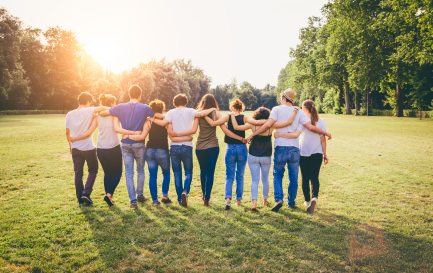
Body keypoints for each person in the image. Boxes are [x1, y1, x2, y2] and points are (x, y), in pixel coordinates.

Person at [247, 88, 331, 212]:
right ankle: (291, 202)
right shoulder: (299, 112)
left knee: (278, 175)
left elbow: (267, 125)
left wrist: (253, 135)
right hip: (294, 149)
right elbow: (311, 127)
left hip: (280, 147)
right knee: (293, 177)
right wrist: (326, 133)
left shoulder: (276, 109)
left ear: (283, 98)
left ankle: (279, 199)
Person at [150, 93, 216, 207]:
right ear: (186, 102)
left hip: (174, 147)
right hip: (187, 146)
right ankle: (185, 191)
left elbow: (162, 123)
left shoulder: (170, 112)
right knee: (188, 172)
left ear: (174, 103)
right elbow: (202, 113)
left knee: (177, 173)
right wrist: (213, 108)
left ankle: (180, 198)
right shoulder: (191, 111)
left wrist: (151, 118)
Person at [230, 107, 299, 211]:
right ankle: (265, 200)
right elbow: (288, 122)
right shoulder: (271, 125)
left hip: (253, 155)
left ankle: (254, 203)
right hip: (266, 155)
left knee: (254, 180)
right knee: (265, 179)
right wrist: (294, 112)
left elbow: (236, 127)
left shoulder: (252, 124)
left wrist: (231, 115)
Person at [98, 85, 155, 209]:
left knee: (129, 172)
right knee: (140, 171)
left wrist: (108, 106)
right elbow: (154, 118)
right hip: (139, 143)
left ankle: (132, 201)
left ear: (129, 94)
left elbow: (102, 113)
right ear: (140, 95)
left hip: (125, 143)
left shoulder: (119, 107)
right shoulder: (145, 107)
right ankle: (140, 195)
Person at [126, 99, 192, 206]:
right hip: (162, 150)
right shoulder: (166, 120)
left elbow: (143, 134)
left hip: (150, 150)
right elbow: (171, 131)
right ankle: (164, 196)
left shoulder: (148, 121)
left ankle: (155, 201)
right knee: (166, 173)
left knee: (153, 175)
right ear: (162, 109)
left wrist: (128, 136)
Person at [276, 99, 328, 214]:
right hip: (317, 153)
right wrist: (325, 153)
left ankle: (307, 201)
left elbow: (296, 135)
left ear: (305, 109)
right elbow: (323, 139)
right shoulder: (322, 121)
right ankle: (314, 198)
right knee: (314, 177)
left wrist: (280, 134)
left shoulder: (303, 121)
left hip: (303, 152)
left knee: (305, 177)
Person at [70, 94, 123, 207]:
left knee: (108, 173)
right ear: (112, 103)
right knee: (117, 173)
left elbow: (89, 132)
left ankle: (109, 196)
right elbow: (119, 128)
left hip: (100, 149)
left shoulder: (97, 116)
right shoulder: (115, 114)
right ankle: (109, 195)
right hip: (114, 147)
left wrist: (74, 139)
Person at [65, 92, 98, 206]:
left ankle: (80, 199)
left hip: (75, 148)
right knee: (93, 170)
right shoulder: (90, 110)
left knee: (78, 174)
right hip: (88, 147)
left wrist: (71, 147)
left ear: (79, 101)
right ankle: (86, 193)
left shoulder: (69, 114)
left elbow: (67, 133)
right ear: (88, 101)